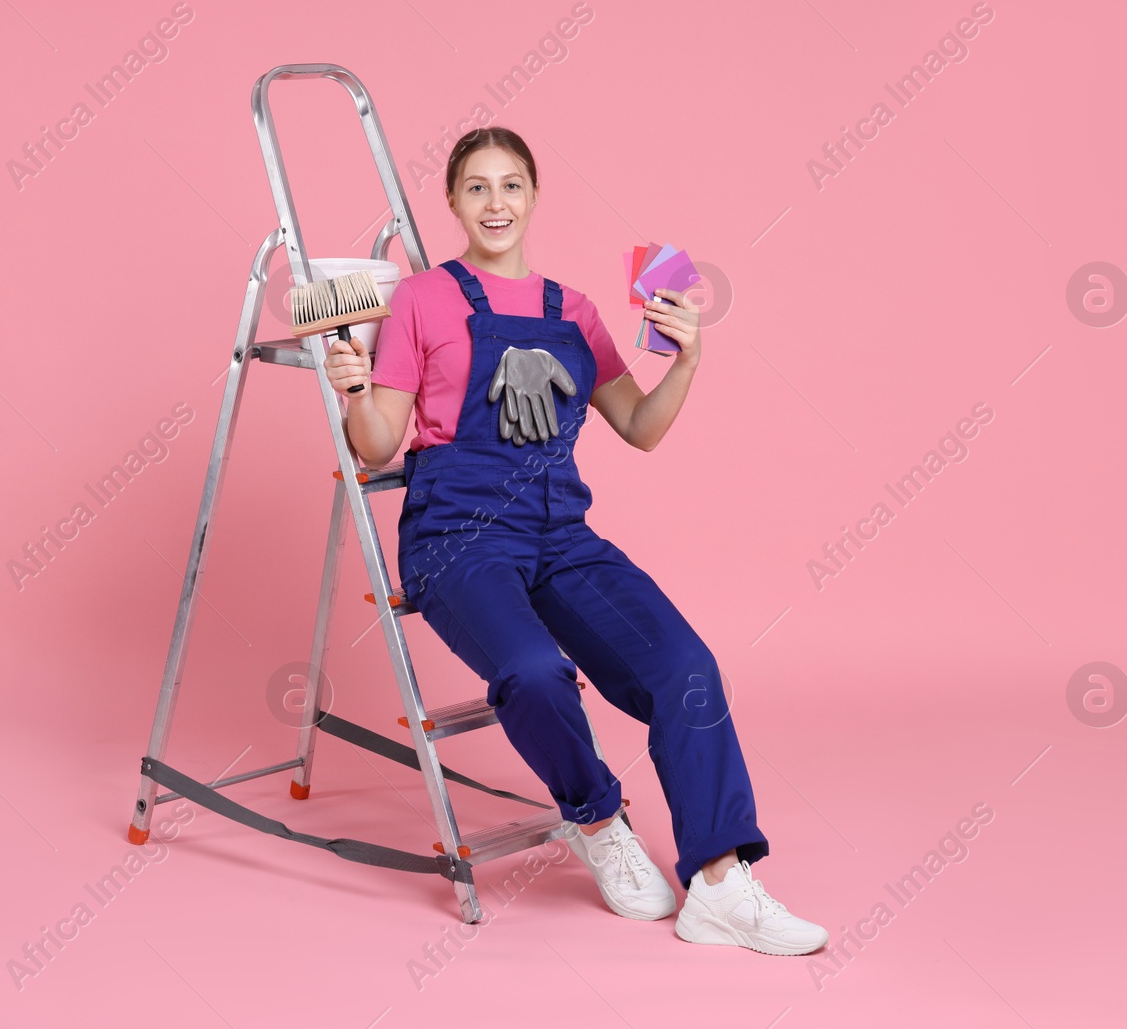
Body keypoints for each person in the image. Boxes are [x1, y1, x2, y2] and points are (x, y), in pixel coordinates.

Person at [322, 126, 827, 955]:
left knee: (688, 667)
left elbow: (637, 426)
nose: (495, 203)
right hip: (458, 534)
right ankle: (595, 815)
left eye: (511, 185)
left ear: (534, 196)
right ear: (451, 201)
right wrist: (352, 391)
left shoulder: (575, 310)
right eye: (477, 187)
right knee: (532, 672)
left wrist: (688, 362)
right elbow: (378, 443)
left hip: (560, 532)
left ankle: (721, 885)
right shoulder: (421, 297)